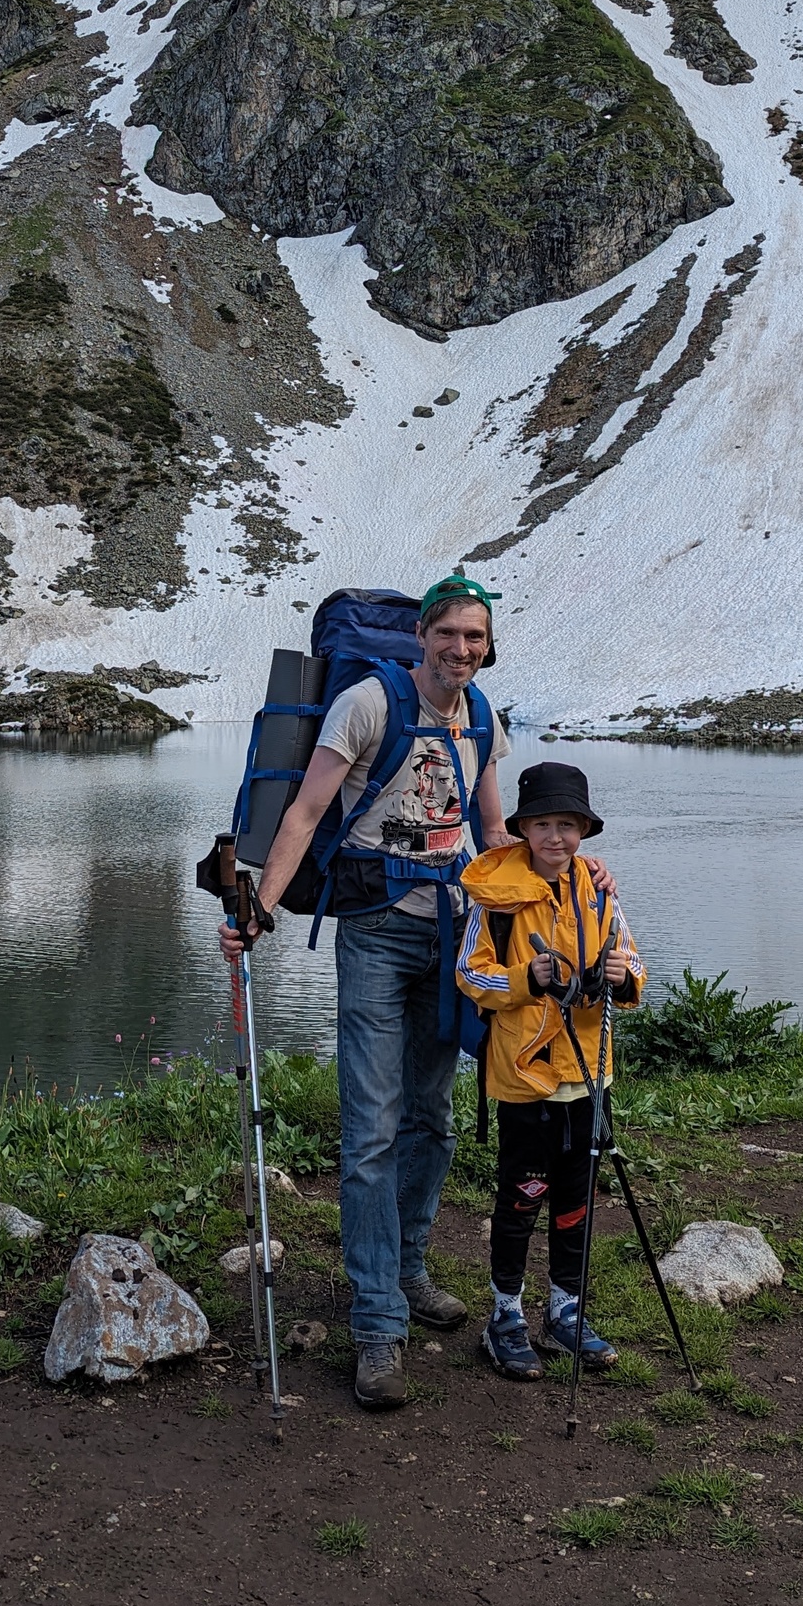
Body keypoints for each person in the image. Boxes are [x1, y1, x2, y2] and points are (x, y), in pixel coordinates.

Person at [218, 574, 512, 1411]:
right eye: (450, 634)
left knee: (435, 1119)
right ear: (422, 636)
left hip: (453, 931)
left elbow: (491, 835)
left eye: (476, 639)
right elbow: (306, 814)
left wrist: (540, 913)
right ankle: (378, 1322)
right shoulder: (368, 704)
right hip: (378, 932)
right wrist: (259, 912)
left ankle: (410, 1269)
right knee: (372, 1129)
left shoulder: (485, 718)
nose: (462, 650)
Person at [456, 762, 643, 1381]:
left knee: (576, 1198)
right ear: (522, 830)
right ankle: (503, 1317)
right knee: (521, 1197)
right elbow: (470, 974)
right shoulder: (496, 898)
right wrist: (523, 979)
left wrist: (625, 976)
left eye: (568, 824)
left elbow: (631, 955)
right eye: (543, 824)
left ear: (583, 830)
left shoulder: (599, 891)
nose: (556, 837)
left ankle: (565, 1310)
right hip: (524, 1077)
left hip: (590, 1074)